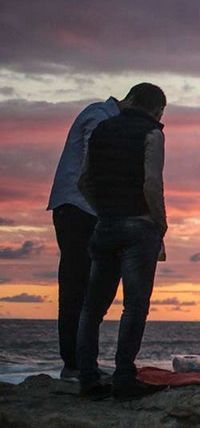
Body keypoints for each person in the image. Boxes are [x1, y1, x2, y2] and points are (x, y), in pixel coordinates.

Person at [75, 83, 169, 400]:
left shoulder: (101, 129)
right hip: (139, 227)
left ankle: (87, 376)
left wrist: (103, 209)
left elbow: (83, 180)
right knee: (134, 306)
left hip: (104, 224)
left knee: (92, 308)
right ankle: (124, 377)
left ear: (131, 101)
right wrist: (160, 224)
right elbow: (152, 185)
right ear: (157, 110)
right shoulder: (153, 134)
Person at [47, 87, 146, 380]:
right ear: (134, 104)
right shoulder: (100, 115)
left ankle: (81, 362)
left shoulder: (105, 117)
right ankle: (74, 364)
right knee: (77, 287)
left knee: (92, 290)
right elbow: (98, 160)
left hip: (93, 212)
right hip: (78, 210)